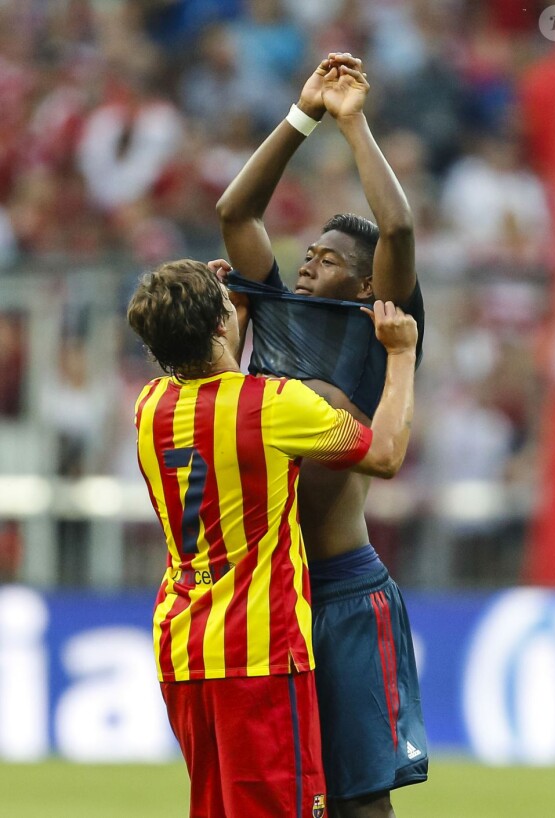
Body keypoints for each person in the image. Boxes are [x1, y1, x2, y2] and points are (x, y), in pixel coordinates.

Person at [126, 258, 418, 818]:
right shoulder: (273, 404)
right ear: (216, 326)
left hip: (184, 650)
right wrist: (402, 354)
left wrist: (220, 307)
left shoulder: (149, 407)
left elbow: (210, 382)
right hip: (258, 653)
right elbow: (383, 453)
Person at [216, 53, 427, 817]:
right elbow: (236, 214)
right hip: (272, 599)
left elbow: (397, 225)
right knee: (286, 802)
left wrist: (352, 121)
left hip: (340, 590)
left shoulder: (382, 329)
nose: (308, 265)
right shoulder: (270, 315)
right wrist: (301, 115)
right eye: (307, 255)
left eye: (331, 260)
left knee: (358, 804)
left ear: (367, 283)